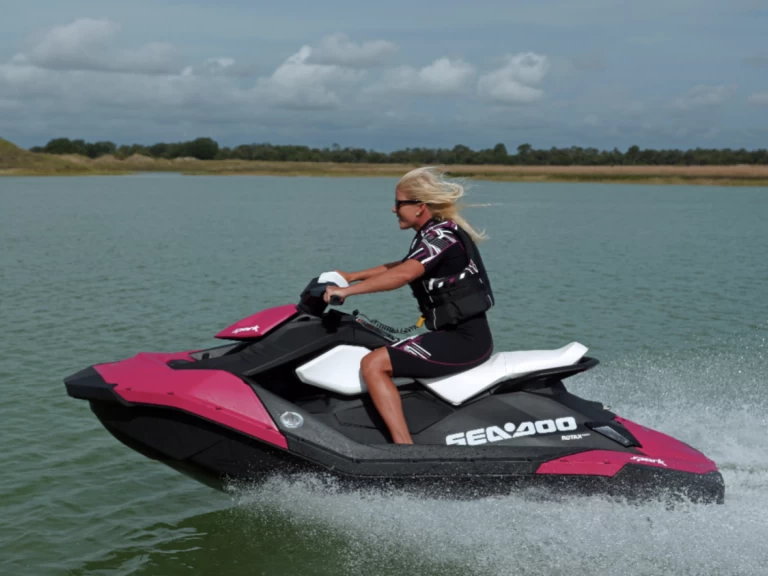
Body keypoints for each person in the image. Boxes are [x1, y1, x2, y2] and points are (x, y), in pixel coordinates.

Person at [323, 167, 495, 444]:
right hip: (452, 335)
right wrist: (352, 275)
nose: (394, 210)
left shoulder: (442, 237)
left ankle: (403, 449)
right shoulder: (433, 234)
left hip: (466, 340)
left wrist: (347, 291)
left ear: (419, 207)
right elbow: (402, 265)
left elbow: (403, 275)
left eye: (399, 203)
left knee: (373, 364)